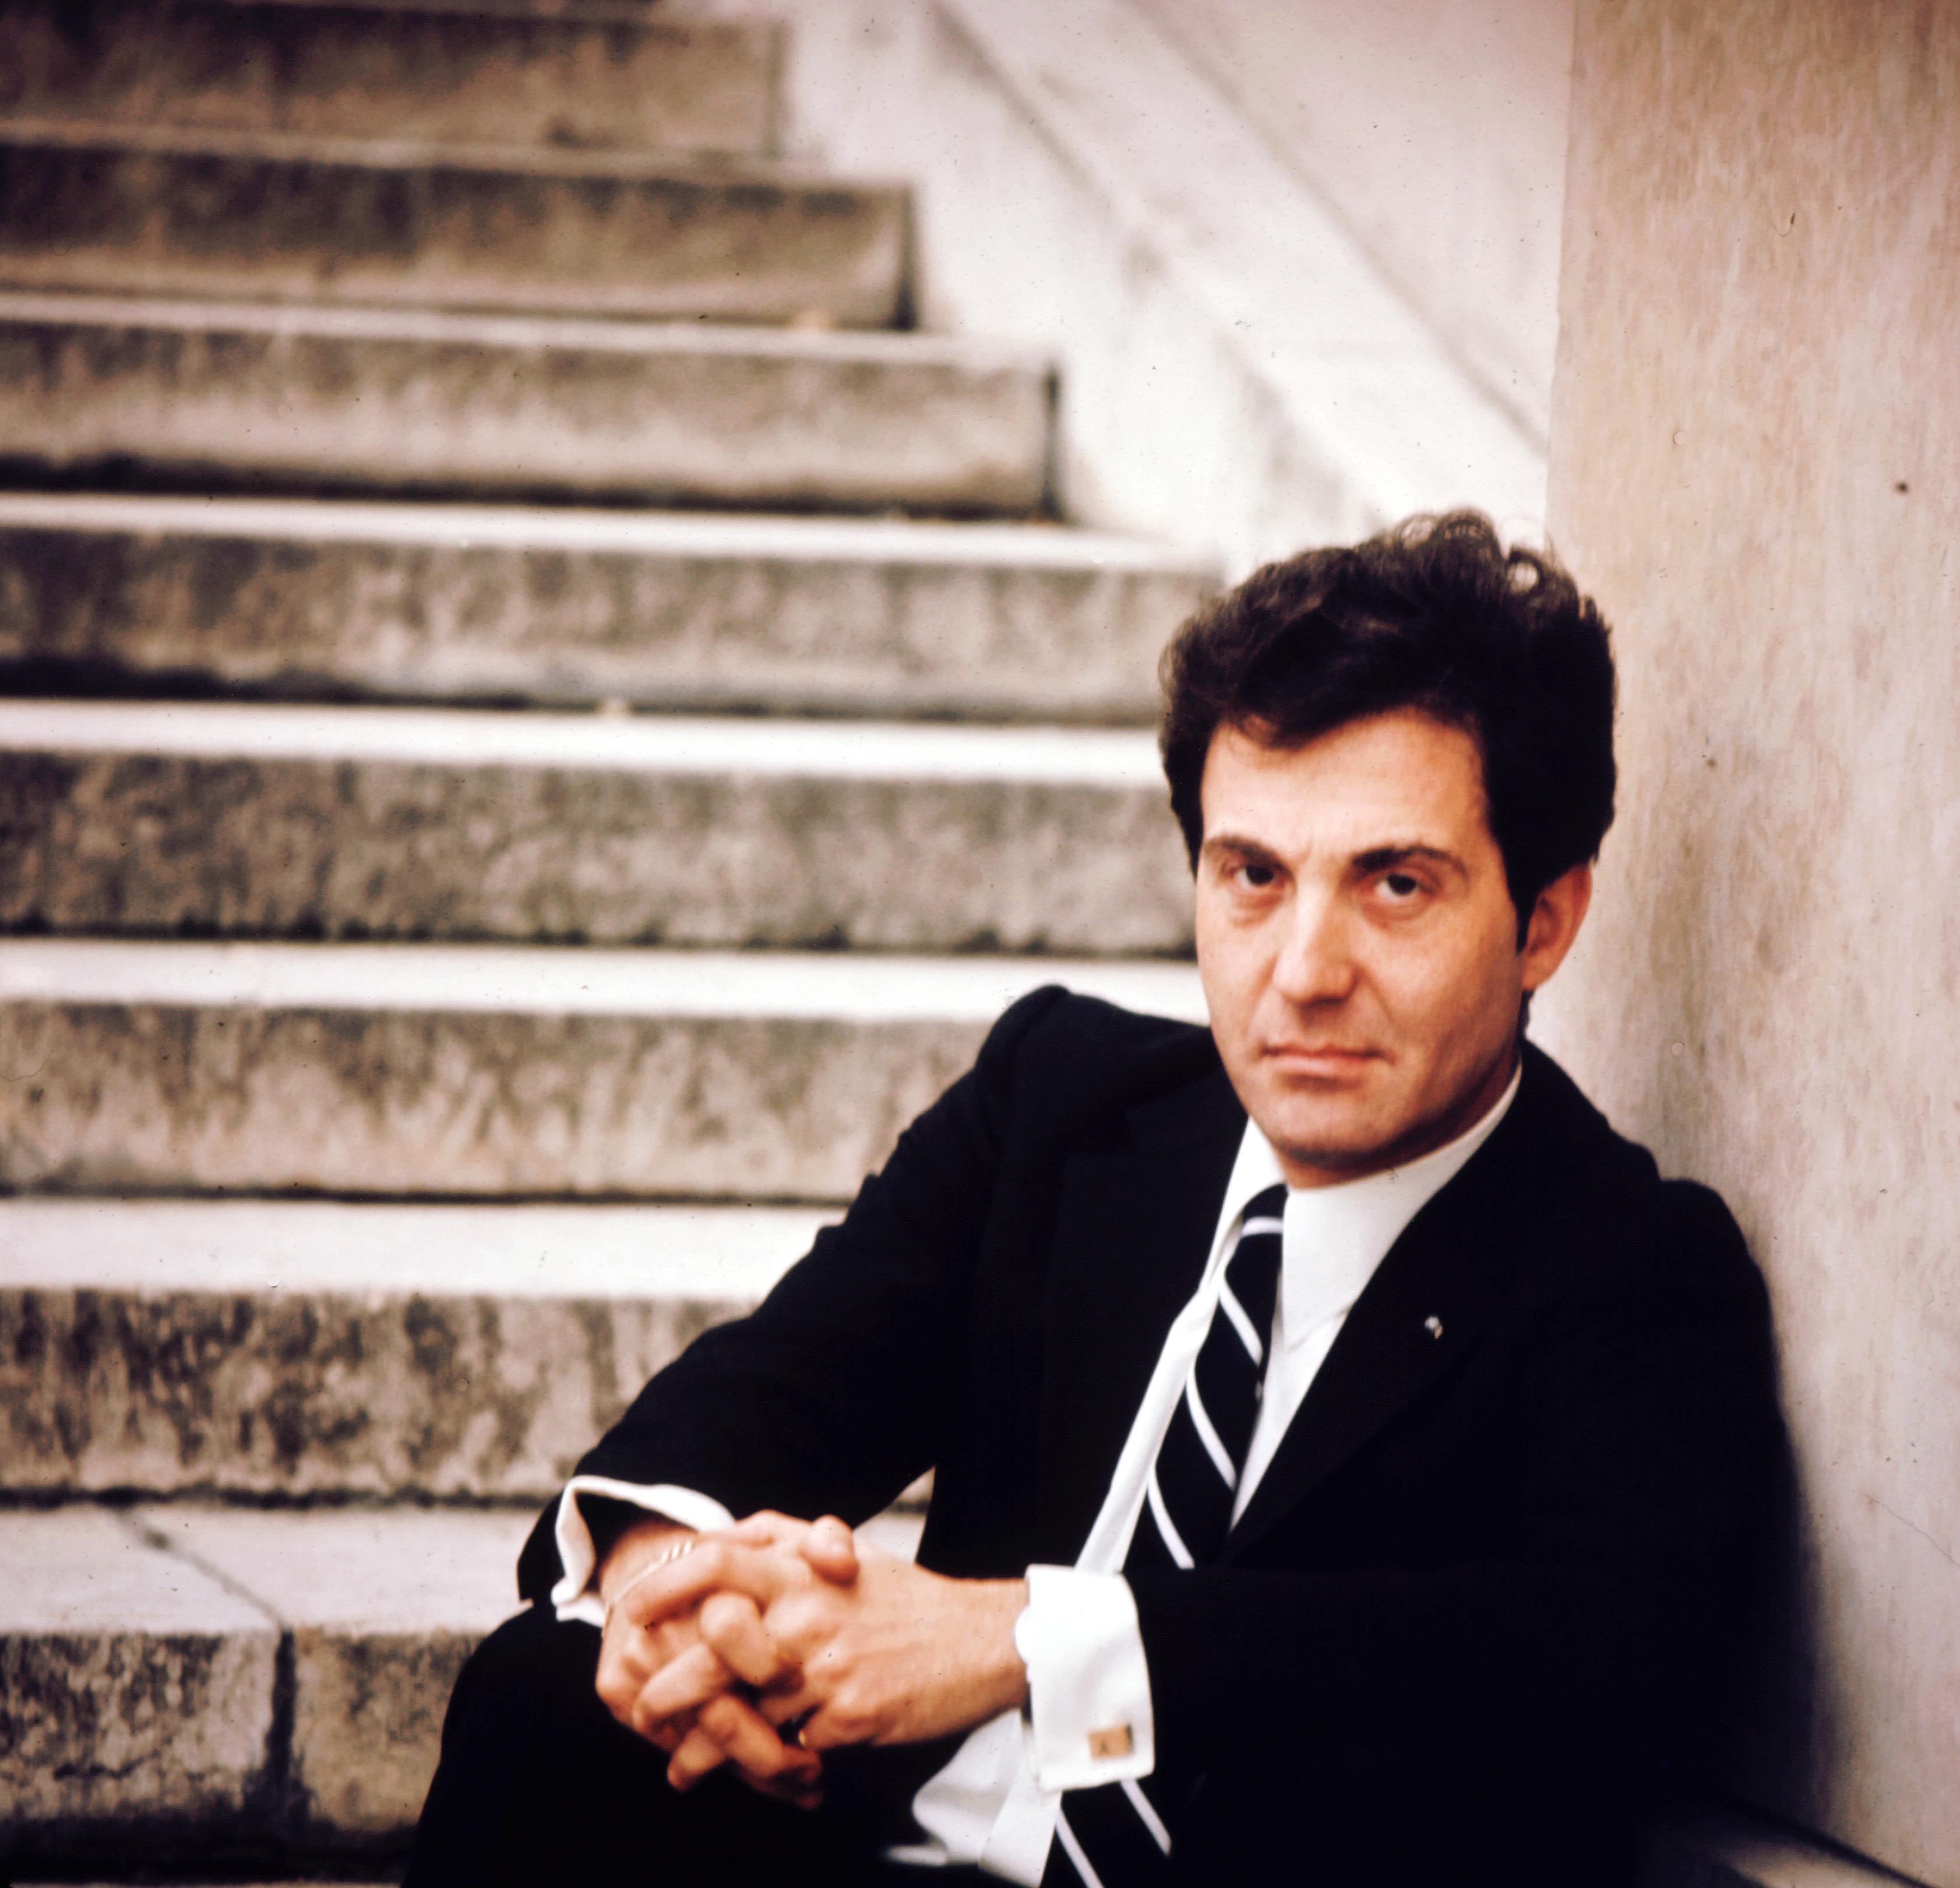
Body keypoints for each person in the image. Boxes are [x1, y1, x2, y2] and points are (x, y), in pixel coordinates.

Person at [406, 510, 1778, 1888]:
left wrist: (1020, 1640)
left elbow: (1580, 1658)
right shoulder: (1063, 1103)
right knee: (547, 1698)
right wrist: (666, 1594)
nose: (1304, 971)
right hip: (894, 1848)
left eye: (1394, 884)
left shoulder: (1625, 1265)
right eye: (1252, 876)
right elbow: (772, 1388)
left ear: (1542, 921)